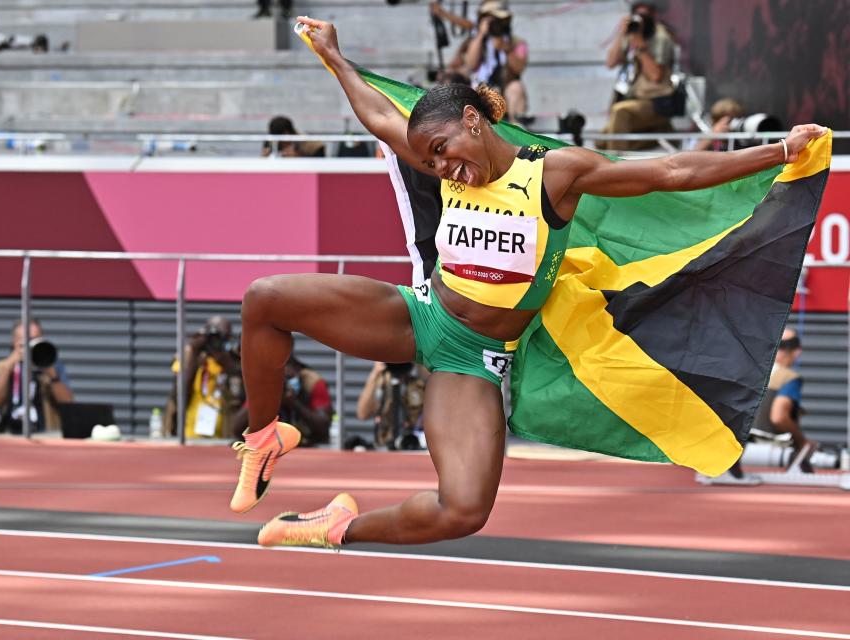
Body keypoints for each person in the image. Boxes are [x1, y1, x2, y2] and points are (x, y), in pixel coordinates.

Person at [228, 15, 827, 550]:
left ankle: (333, 527)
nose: (442, 169)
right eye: (430, 162)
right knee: (266, 300)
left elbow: (669, 171)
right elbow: (381, 116)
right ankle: (265, 438)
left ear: (472, 119)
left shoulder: (553, 176)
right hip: (420, 316)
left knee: (461, 510)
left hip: (474, 359)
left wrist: (776, 150)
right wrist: (334, 57)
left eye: (443, 151)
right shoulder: (446, 164)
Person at [600, 2, 676, 151]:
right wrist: (622, 34)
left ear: (653, 15)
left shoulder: (661, 37)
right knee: (601, 141)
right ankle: (659, 133)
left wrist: (640, 46)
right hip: (634, 100)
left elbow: (655, 76)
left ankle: (616, 165)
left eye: (644, 15)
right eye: (637, 15)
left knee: (620, 111)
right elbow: (611, 63)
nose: (640, 20)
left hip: (656, 102)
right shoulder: (631, 34)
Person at [441, 1, 530, 124]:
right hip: (479, 87)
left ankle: (516, 129)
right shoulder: (473, 41)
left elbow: (519, 68)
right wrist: (481, 35)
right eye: (491, 20)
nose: (495, 24)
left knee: (516, 88)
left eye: (498, 20)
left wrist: (506, 48)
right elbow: (470, 64)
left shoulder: (516, 43)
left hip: (504, 90)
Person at [0, 319, 73, 433]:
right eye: (26, 340)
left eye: (35, 339)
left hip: (45, 431)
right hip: (8, 431)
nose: (31, 345)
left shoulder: (53, 366)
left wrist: (51, 373)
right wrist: (8, 367)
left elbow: (67, 402)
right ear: (14, 342)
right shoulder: (2, 366)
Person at [165, 316, 244, 440]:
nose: (216, 342)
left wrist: (227, 365)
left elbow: (240, 397)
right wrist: (194, 353)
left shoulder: (232, 361)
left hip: (224, 437)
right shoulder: (189, 356)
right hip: (190, 436)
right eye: (213, 336)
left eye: (223, 337)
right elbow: (178, 397)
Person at [756, 329, 816, 472]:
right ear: (797, 352)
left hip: (735, 451)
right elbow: (779, 417)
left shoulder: (753, 373)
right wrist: (802, 442)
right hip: (771, 451)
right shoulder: (789, 378)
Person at [356, 361, 428, 450]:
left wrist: (419, 362)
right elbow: (362, 414)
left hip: (413, 445)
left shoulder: (418, 384)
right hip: (384, 446)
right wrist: (375, 373)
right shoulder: (381, 383)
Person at [261, 115, 326, 158]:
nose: (282, 142)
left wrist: (299, 156)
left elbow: (321, 163)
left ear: (290, 132)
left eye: (283, 138)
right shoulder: (270, 141)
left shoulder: (312, 144)